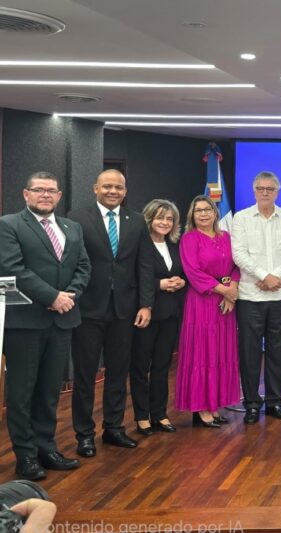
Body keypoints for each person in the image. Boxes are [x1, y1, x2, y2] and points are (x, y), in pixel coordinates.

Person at [0, 171, 90, 480]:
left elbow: (83, 266)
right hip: (25, 323)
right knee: (22, 393)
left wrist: (70, 296)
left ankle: (46, 448)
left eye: (51, 190)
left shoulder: (72, 228)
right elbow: (13, 269)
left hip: (62, 321)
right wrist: (52, 297)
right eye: (38, 190)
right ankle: (25, 456)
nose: (45, 195)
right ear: (26, 194)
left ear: (60, 195)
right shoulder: (8, 225)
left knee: (50, 390)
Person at [68, 169, 153, 457]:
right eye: (107, 186)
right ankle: (84, 434)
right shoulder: (77, 218)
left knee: (118, 372)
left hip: (125, 310)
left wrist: (145, 304)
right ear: (95, 188)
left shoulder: (138, 221)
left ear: (125, 191)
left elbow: (144, 266)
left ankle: (114, 427)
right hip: (89, 309)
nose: (113, 191)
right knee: (85, 374)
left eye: (118, 187)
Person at [231, 171, 281, 424]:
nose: (265, 192)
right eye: (260, 188)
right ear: (254, 190)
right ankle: (251, 403)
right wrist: (263, 275)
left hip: (279, 295)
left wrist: (275, 277)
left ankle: (274, 401)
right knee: (249, 352)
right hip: (250, 295)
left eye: (269, 189)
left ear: (277, 191)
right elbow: (239, 254)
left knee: (277, 351)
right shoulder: (241, 219)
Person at [175, 195, 241, 428]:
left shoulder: (227, 237)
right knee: (203, 353)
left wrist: (231, 290)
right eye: (197, 211)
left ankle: (214, 405)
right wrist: (223, 290)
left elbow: (237, 266)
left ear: (215, 213)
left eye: (207, 209)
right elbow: (192, 272)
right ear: (192, 216)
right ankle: (201, 409)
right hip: (202, 302)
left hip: (225, 304)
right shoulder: (189, 239)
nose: (203, 214)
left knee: (221, 353)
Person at [130, 199, 186, 436]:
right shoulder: (138, 245)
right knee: (141, 367)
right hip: (147, 313)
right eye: (160, 217)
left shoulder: (176, 245)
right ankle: (142, 416)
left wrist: (182, 281)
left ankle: (160, 414)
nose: (165, 222)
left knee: (163, 366)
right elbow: (133, 279)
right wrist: (159, 284)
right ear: (149, 219)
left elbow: (185, 273)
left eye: (169, 218)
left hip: (172, 314)